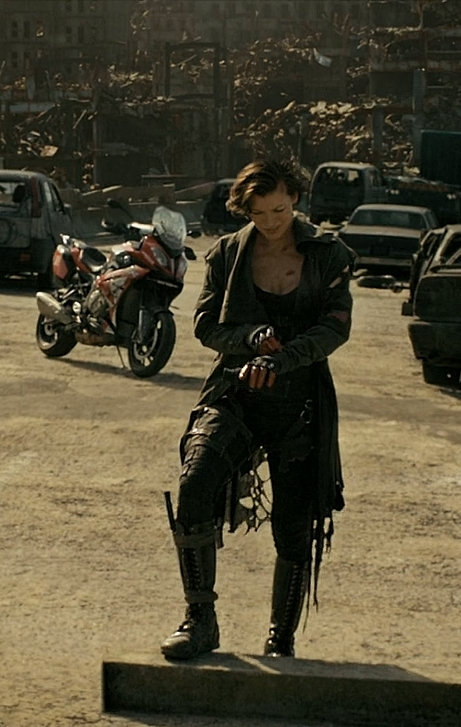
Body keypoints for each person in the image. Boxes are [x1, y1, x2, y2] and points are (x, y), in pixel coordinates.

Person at [160, 159, 355, 661]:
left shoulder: (329, 254)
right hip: (234, 393)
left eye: (279, 210)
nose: (271, 222)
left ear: (296, 199)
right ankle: (199, 620)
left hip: (301, 403)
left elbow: (335, 327)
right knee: (194, 483)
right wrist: (249, 338)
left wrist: (282, 358)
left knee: (295, 526)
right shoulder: (228, 253)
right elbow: (206, 324)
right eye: (259, 213)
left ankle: (280, 640)